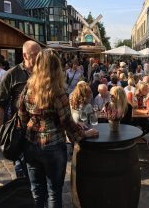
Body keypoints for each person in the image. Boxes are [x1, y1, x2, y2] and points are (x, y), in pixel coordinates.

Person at [18, 48, 98, 208]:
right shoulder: (57, 92)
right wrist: (85, 133)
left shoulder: (28, 88)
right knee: (54, 192)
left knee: (36, 189)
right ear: (57, 67)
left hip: (31, 144)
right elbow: (67, 123)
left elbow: (22, 116)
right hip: (53, 147)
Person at [0, 40, 41, 177]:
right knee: (22, 171)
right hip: (20, 130)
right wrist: (0, 130)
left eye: (40, 54)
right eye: (35, 54)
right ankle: (25, 195)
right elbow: (0, 103)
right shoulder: (12, 74)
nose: (39, 58)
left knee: (39, 171)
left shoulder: (45, 72)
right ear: (25, 55)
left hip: (42, 131)